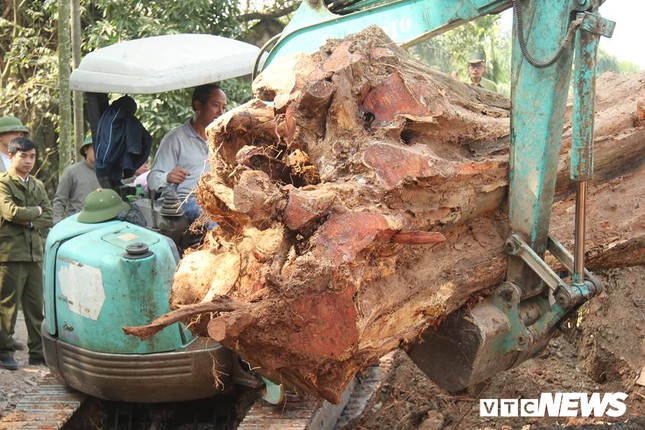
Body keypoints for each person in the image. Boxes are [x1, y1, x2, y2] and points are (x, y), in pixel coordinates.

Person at [0, 137, 53, 370]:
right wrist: (36, 212)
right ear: (11, 157)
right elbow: (11, 213)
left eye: (32, 156)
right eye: (24, 156)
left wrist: (30, 220)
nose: (29, 161)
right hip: (10, 254)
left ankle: (38, 354)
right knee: (7, 307)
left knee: (34, 308)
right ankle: (4, 352)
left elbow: (48, 216)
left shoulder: (37, 185)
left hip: (34, 253)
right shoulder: (3, 184)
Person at [148, 83, 227, 222]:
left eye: (224, 107)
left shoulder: (223, 139)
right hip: (185, 200)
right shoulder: (174, 139)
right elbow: (152, 180)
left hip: (214, 197)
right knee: (213, 221)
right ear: (198, 105)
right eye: (216, 105)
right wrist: (167, 177)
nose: (221, 113)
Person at [52, 134, 101, 224]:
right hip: (78, 223)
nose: (98, 152)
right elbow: (60, 200)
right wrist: (57, 223)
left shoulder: (109, 173)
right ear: (86, 150)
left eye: (101, 148)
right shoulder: (71, 172)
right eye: (95, 148)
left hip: (103, 223)